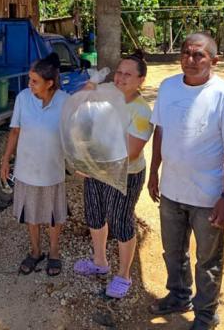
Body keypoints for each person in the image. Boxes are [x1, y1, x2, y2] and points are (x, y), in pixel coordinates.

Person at [147, 33, 224, 330]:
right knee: (173, 252)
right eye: (186, 53)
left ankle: (205, 315)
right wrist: (154, 173)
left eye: (198, 55)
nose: (190, 60)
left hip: (208, 196)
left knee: (208, 260)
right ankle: (179, 295)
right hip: (172, 189)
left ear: (214, 60)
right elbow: (160, 132)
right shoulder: (168, 87)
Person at [73, 50, 153, 299]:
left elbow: (130, 152)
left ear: (141, 80)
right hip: (97, 169)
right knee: (95, 215)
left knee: (120, 222)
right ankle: (100, 261)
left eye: (128, 74)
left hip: (124, 174)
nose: (120, 78)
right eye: (118, 72)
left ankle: (124, 275)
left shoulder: (141, 112)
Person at [0, 53, 69, 277]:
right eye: (29, 80)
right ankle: (36, 250)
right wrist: (5, 159)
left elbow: (75, 134)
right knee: (31, 213)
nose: (29, 85)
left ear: (50, 83)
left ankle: (55, 252)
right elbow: (15, 130)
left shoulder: (65, 101)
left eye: (34, 81)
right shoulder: (23, 98)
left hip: (52, 169)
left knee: (52, 214)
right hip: (27, 169)